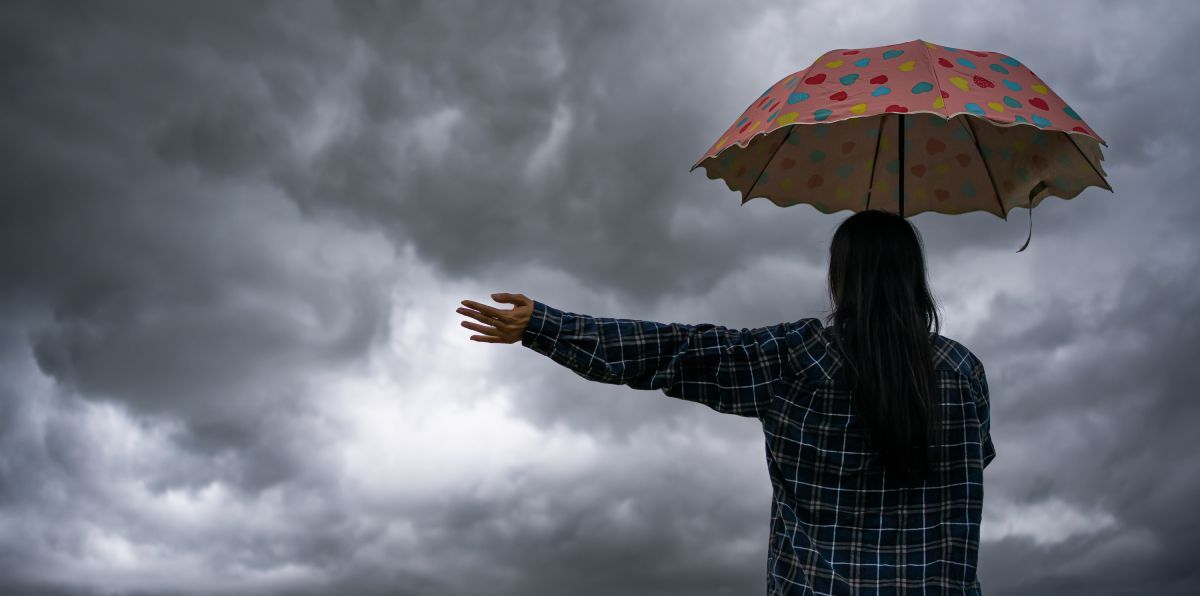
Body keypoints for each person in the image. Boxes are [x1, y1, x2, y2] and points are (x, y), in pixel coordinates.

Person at [456, 209, 995, 595]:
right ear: (915, 279)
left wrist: (547, 327)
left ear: (840, 277)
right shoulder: (963, 372)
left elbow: (677, 351)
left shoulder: (796, 357)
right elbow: (976, 464)